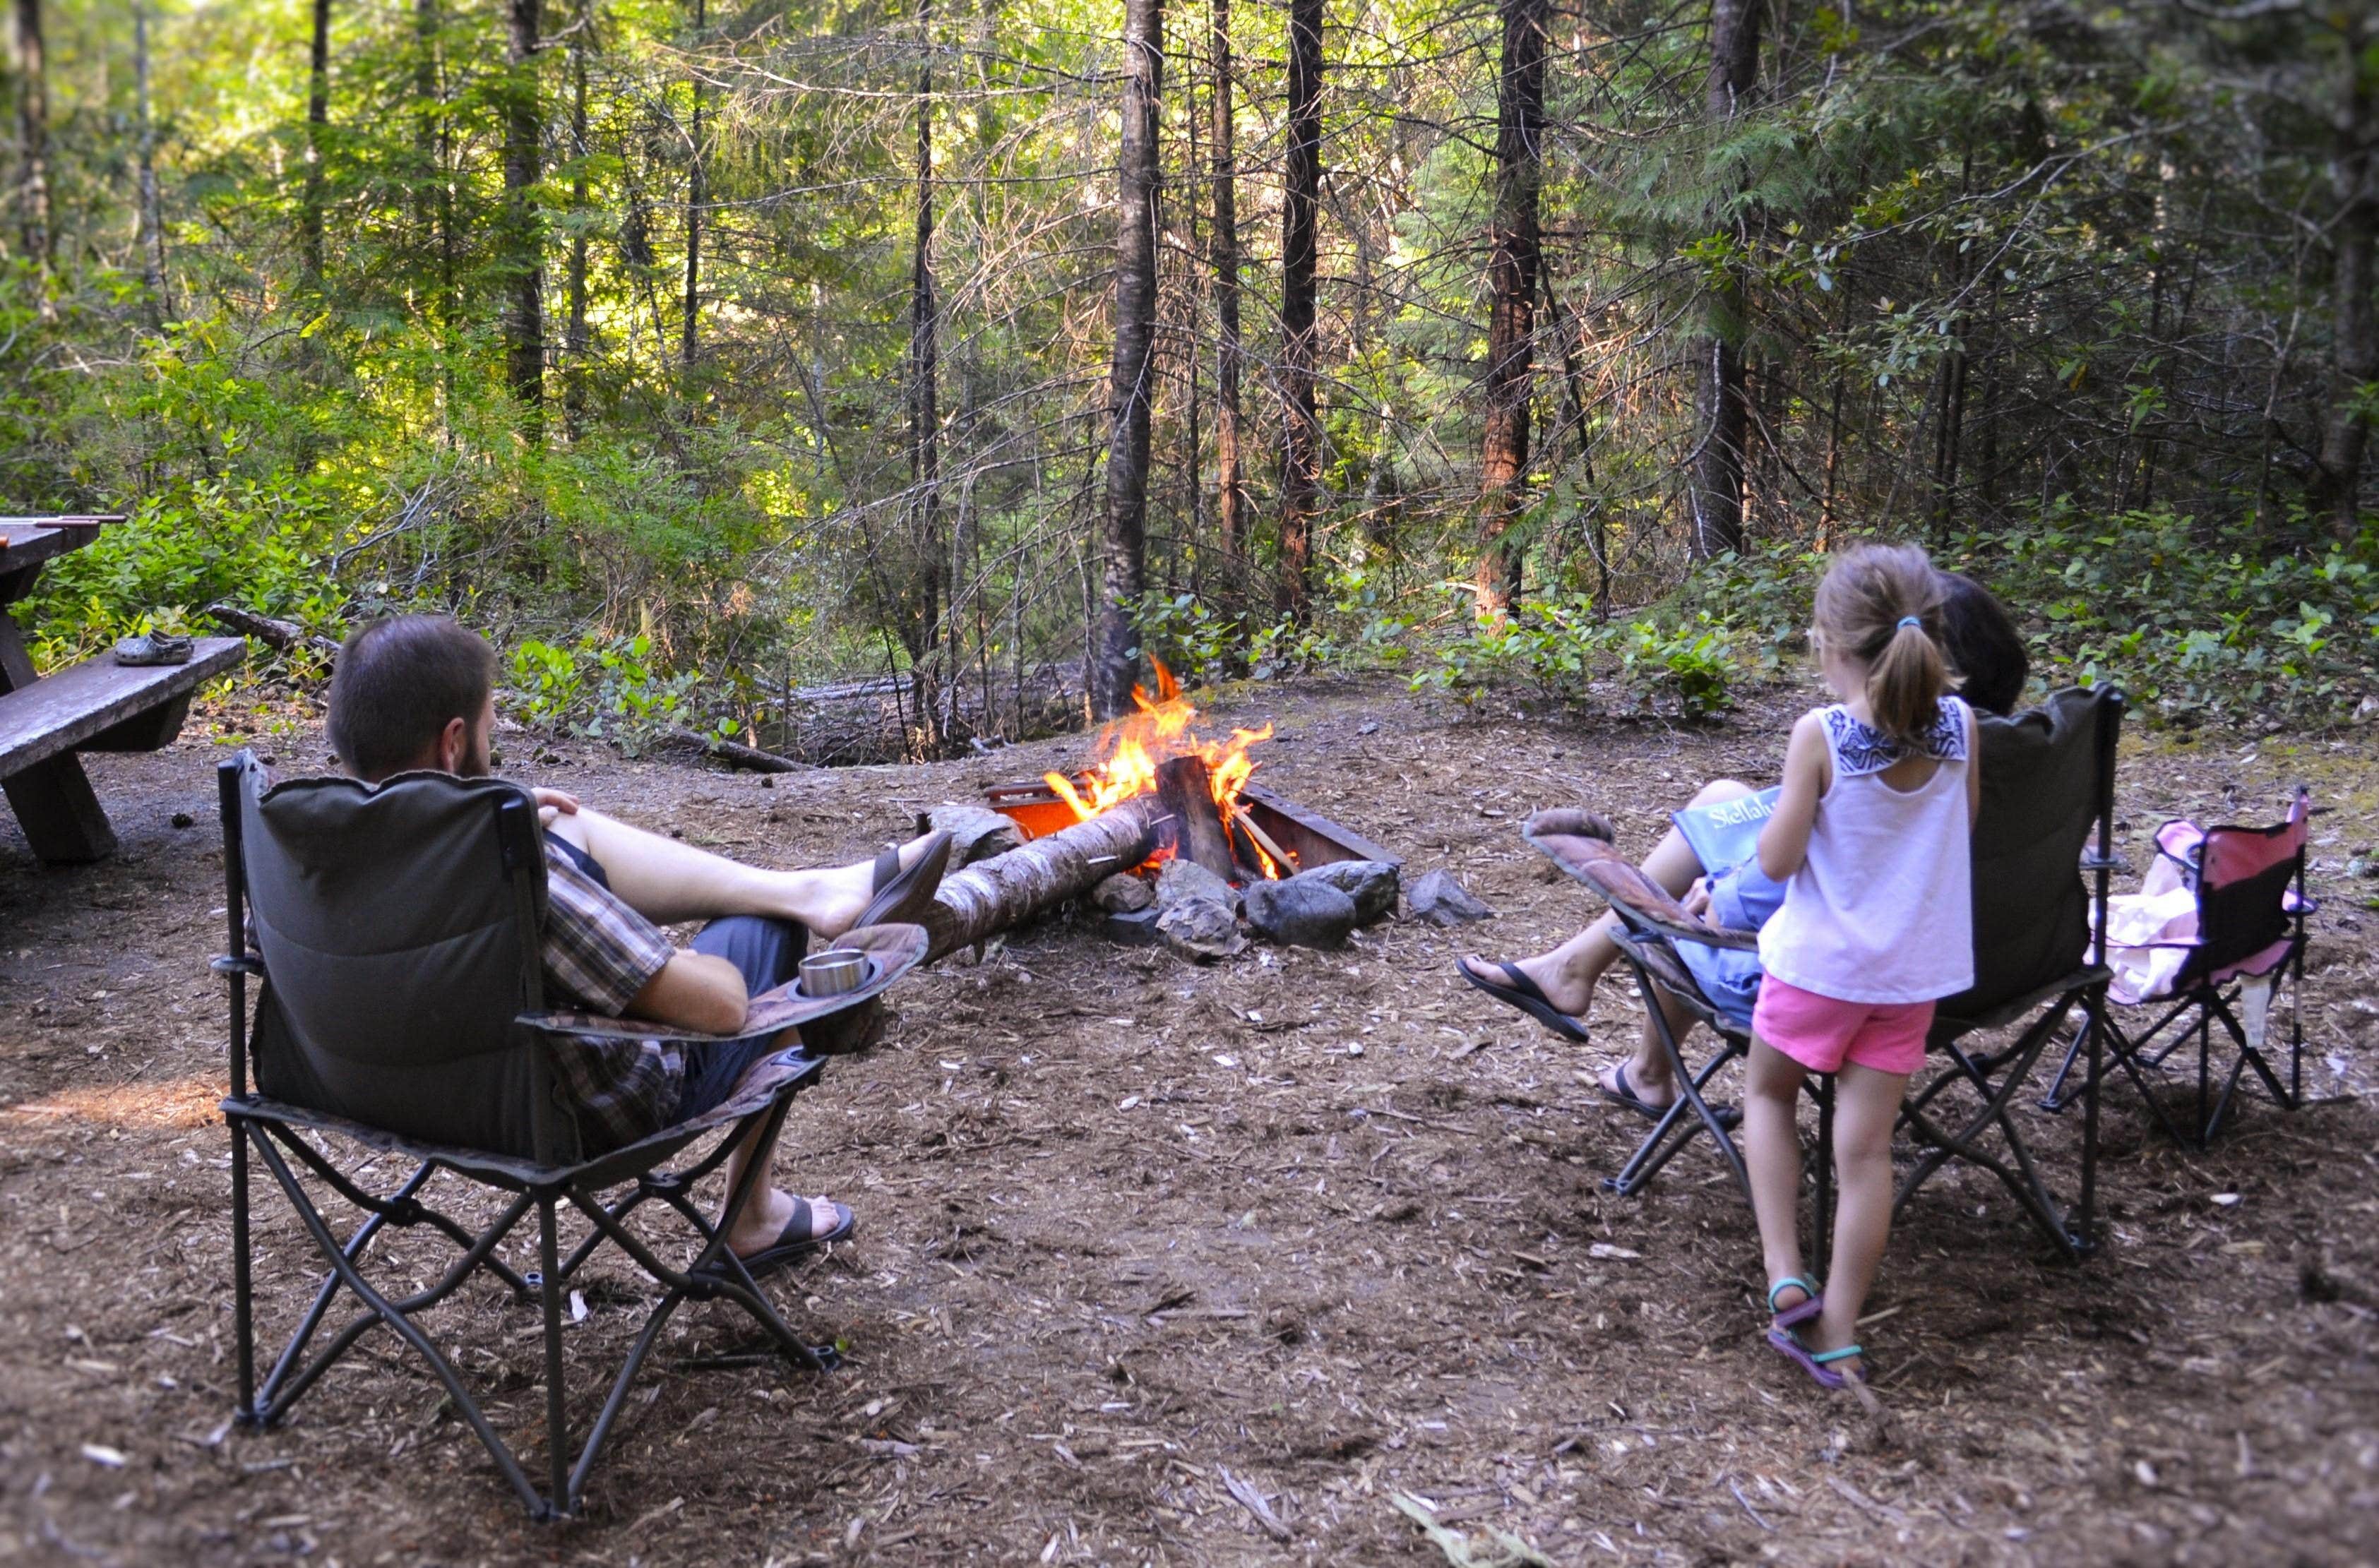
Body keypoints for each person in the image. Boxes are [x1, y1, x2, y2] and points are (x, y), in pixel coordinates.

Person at [323, 615, 950, 1278]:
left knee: (559, 819)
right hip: (571, 1121)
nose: (492, 741)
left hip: (401, 1104)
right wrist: (659, 945)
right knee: (763, 928)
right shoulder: (506, 875)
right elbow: (718, 1008)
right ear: (454, 745)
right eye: (488, 729)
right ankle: (752, 1218)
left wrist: (486, 808)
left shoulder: (311, 861)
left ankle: (813, 888)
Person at [1455, 570, 2028, 1118]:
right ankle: (1582, 978)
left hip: (1848, 978)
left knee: (1686, 906)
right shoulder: (1995, 758)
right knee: (1720, 797)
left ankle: (1614, 1023)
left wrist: (1719, 892)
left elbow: (1768, 884)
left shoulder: (1867, 751)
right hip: (1983, 965)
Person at [1744, 543, 1979, 1388]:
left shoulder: (1822, 735)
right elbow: (1964, 826)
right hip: (1908, 978)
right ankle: (1838, 1332)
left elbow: (1775, 863)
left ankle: (1784, 1272)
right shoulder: (1962, 727)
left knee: (1768, 1096)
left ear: (1831, 648)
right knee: (1865, 1153)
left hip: (1816, 971)